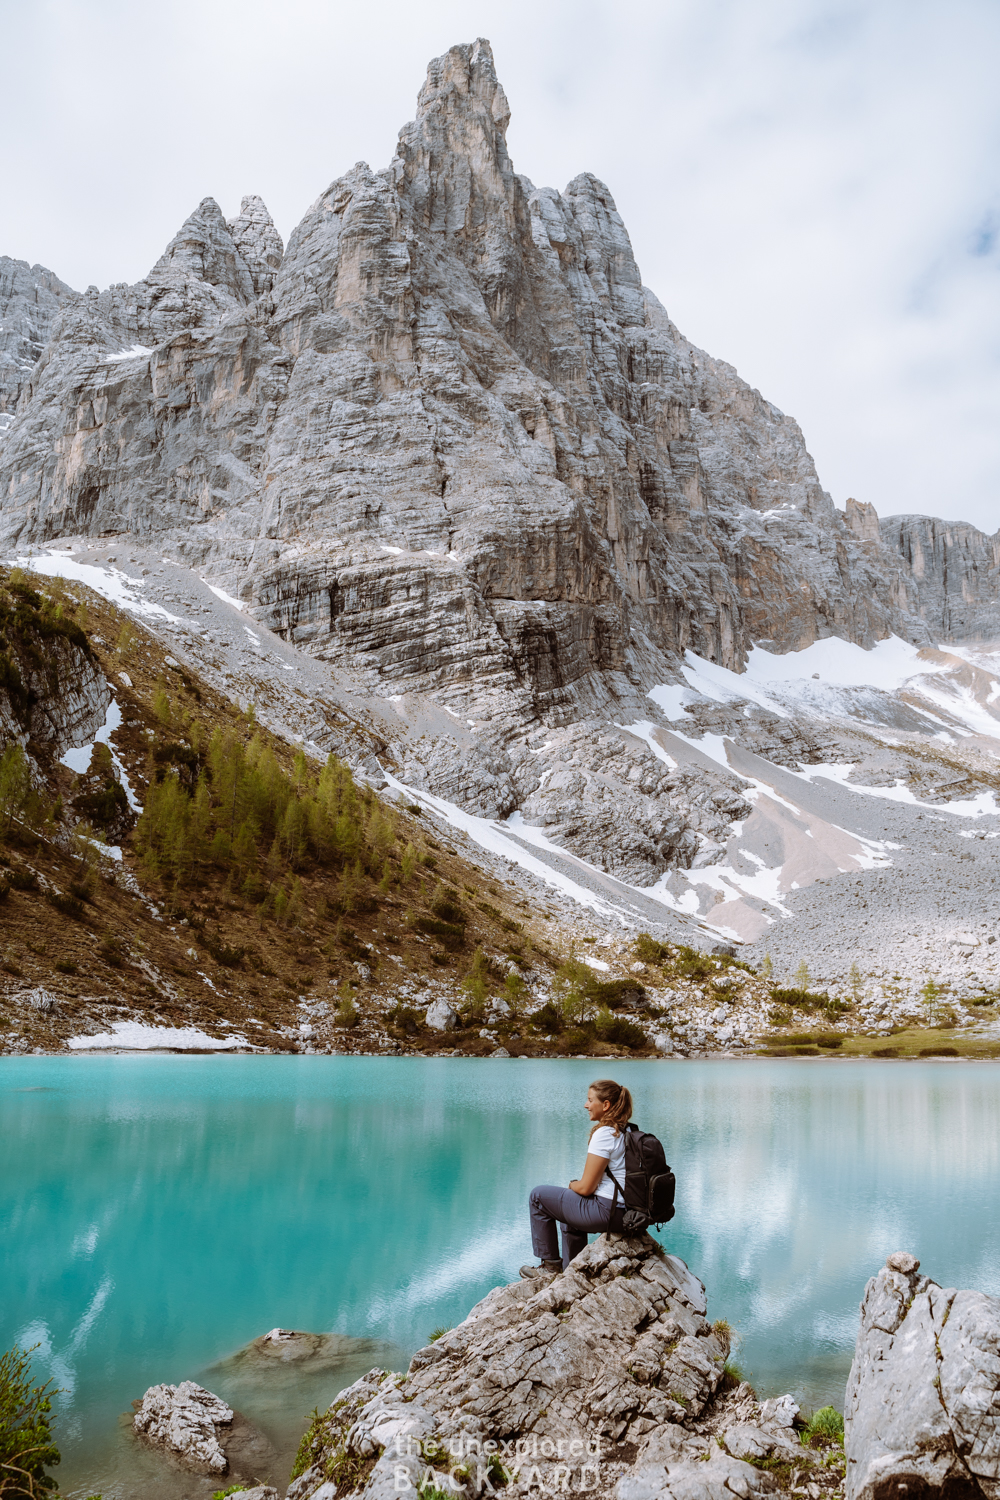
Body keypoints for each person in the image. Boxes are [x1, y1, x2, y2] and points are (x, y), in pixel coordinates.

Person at [520, 1078, 633, 1278]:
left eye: (590, 1100)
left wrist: (572, 1185)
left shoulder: (605, 1134)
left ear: (605, 1105)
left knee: (538, 1196)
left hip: (607, 1211)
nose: (586, 1105)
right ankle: (573, 1270)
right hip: (626, 1211)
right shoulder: (627, 1130)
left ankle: (550, 1267)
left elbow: (586, 1188)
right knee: (569, 1211)